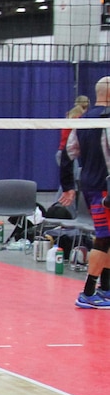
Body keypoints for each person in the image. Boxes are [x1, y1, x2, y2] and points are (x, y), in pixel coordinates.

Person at [65, 77, 110, 308]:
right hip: (104, 189)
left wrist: (68, 186)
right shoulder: (105, 120)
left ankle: (106, 289)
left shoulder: (83, 120)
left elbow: (68, 153)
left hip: (91, 185)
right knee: (103, 238)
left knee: (107, 237)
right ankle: (88, 293)